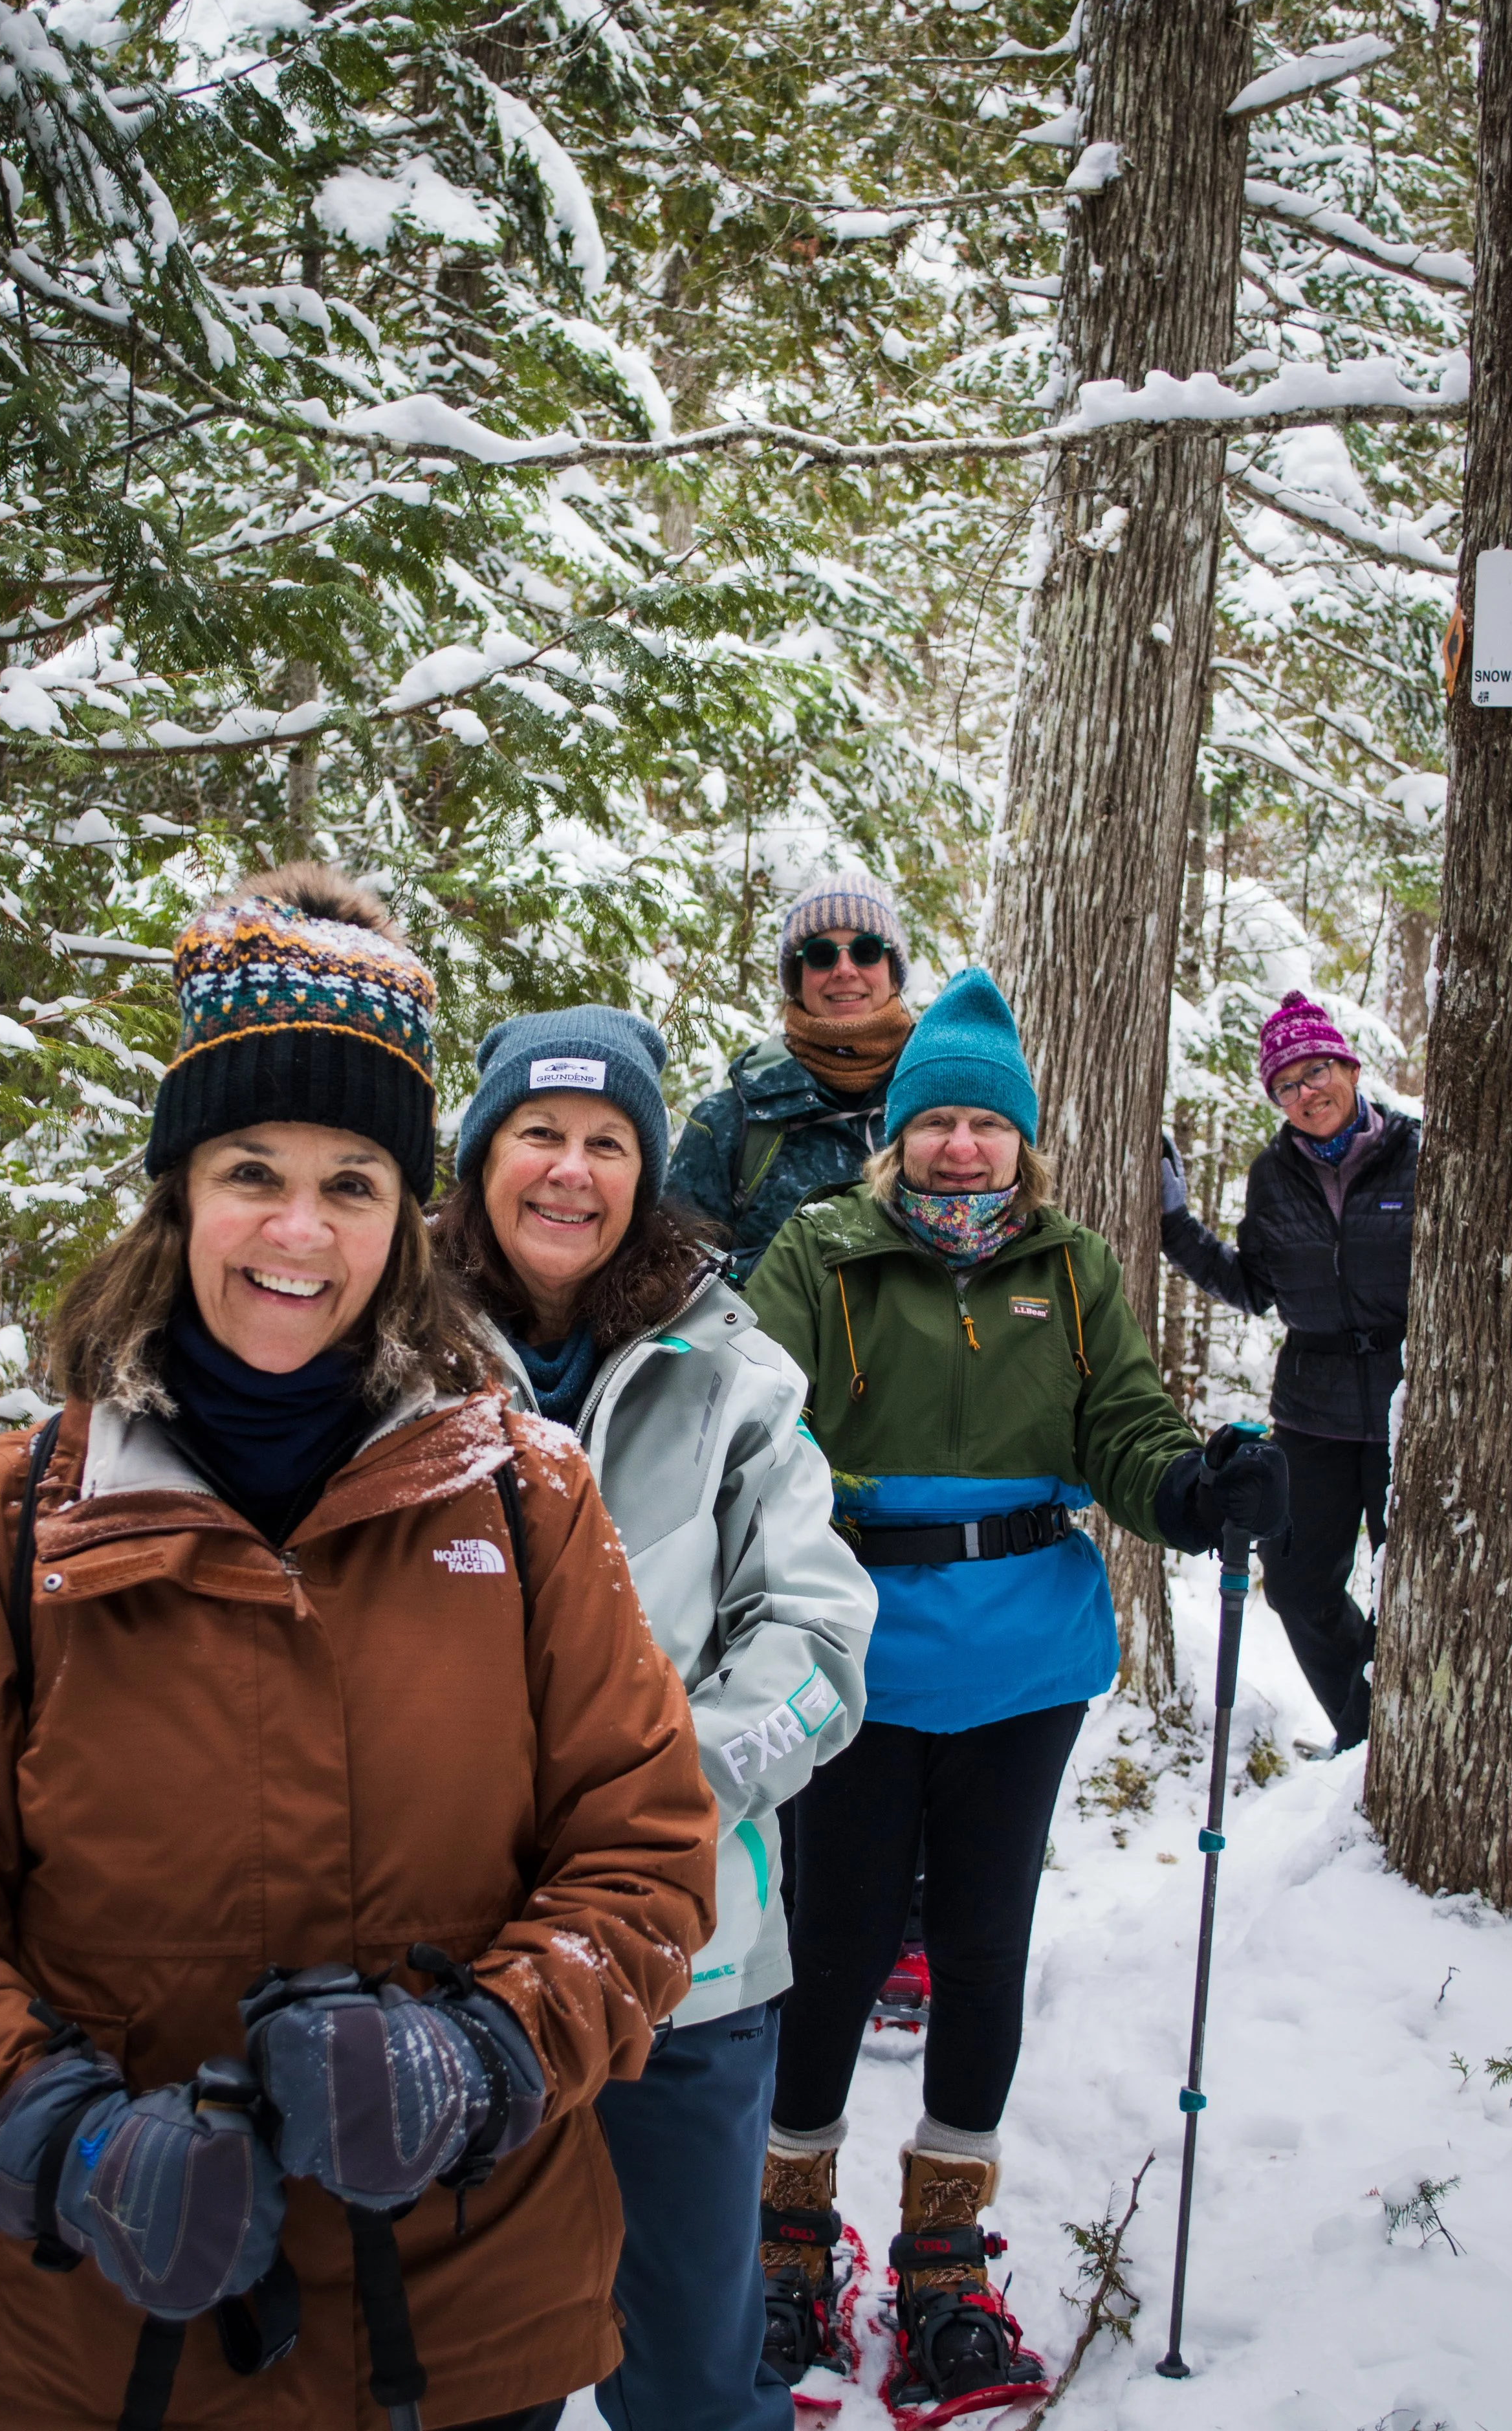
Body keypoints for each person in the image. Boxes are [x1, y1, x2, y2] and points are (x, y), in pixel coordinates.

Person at [0, 866, 718, 2431]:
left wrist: (484, 2057)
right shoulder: (23, 1515)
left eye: (352, 1182)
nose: (297, 1229)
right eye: (250, 1170)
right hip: (109, 2326)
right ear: (177, 1193)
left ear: (407, 1219)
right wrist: (51, 2136)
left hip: (462, 2324)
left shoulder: (526, 1495)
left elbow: (651, 1860)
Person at [743, 968, 1287, 2417]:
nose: (963, 1147)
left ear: (1023, 1141)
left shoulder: (1070, 1266)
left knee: (981, 1945)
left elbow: (1117, 1417)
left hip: (1022, 1662)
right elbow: (753, 1420)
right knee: (835, 1942)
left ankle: (941, 2258)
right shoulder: (815, 1251)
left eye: (988, 1123)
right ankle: (787, 2238)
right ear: (899, 1137)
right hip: (852, 1649)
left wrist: (1189, 1482)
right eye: (939, 1123)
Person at [432, 1005, 877, 2431]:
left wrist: (653, 1794)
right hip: (448, 1969)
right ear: (478, 1156)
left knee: (688, 2367)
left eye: (607, 1141)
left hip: (688, 1964)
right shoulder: (385, 1361)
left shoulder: (733, 1368)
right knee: (459, 2374)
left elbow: (814, 1635)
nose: (571, 1170)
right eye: (538, 1133)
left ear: (644, 1172)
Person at [1160, 989, 1418, 1753]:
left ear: (1348, 1065)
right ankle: (1365, 1733)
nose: (1306, 1094)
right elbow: (1252, 1286)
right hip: (1313, 1410)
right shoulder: (1272, 1174)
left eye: (1315, 1072)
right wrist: (1175, 1227)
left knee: (1416, 1590)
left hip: (1414, 1403)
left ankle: (1391, 1739)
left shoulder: (1420, 1151)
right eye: (1286, 1085)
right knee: (1298, 1585)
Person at [668, 873, 915, 1285]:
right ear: (797, 977)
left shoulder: (942, 1107)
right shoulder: (727, 1124)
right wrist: (799, 1273)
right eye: (821, 954)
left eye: (866, 950)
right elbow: (675, 1274)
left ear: (893, 971)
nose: (844, 969)